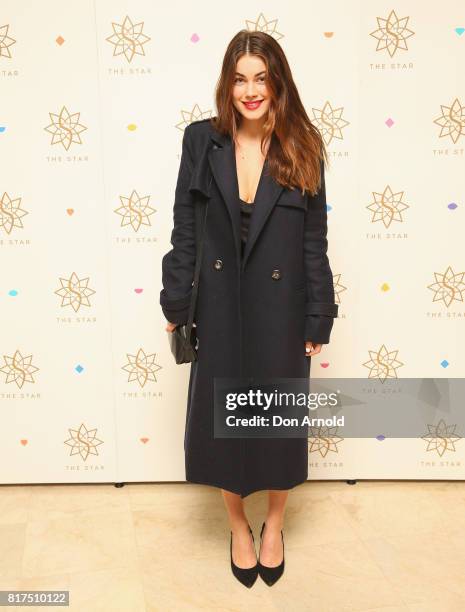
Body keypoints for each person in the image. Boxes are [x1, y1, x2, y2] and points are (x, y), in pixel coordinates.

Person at [160, 30, 338, 587]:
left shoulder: (302, 144)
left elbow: (314, 240)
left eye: (261, 77)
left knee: (279, 423)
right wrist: (176, 300)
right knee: (226, 426)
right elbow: (185, 228)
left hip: (282, 307)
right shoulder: (201, 140)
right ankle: (238, 527)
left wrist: (317, 315)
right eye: (240, 78)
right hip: (217, 305)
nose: (250, 90)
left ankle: (275, 524)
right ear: (227, 83)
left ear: (277, 81)